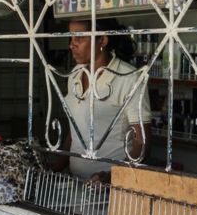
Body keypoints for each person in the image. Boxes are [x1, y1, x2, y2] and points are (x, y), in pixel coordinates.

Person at [53, 20, 152, 182]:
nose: (72, 45)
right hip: (76, 181)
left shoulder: (128, 77)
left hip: (109, 187)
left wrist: (111, 177)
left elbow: (142, 143)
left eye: (79, 38)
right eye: (71, 39)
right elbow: (76, 130)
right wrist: (57, 166)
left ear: (103, 41)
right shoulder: (75, 74)